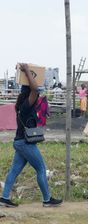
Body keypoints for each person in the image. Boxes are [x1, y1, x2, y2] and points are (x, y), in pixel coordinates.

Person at [0, 64, 62, 208]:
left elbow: (34, 89)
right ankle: (47, 200)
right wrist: (27, 71)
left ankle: (4, 198)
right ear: (30, 94)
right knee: (41, 168)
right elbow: (34, 89)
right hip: (25, 143)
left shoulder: (22, 105)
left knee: (14, 171)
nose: (37, 93)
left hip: (20, 142)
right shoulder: (27, 105)